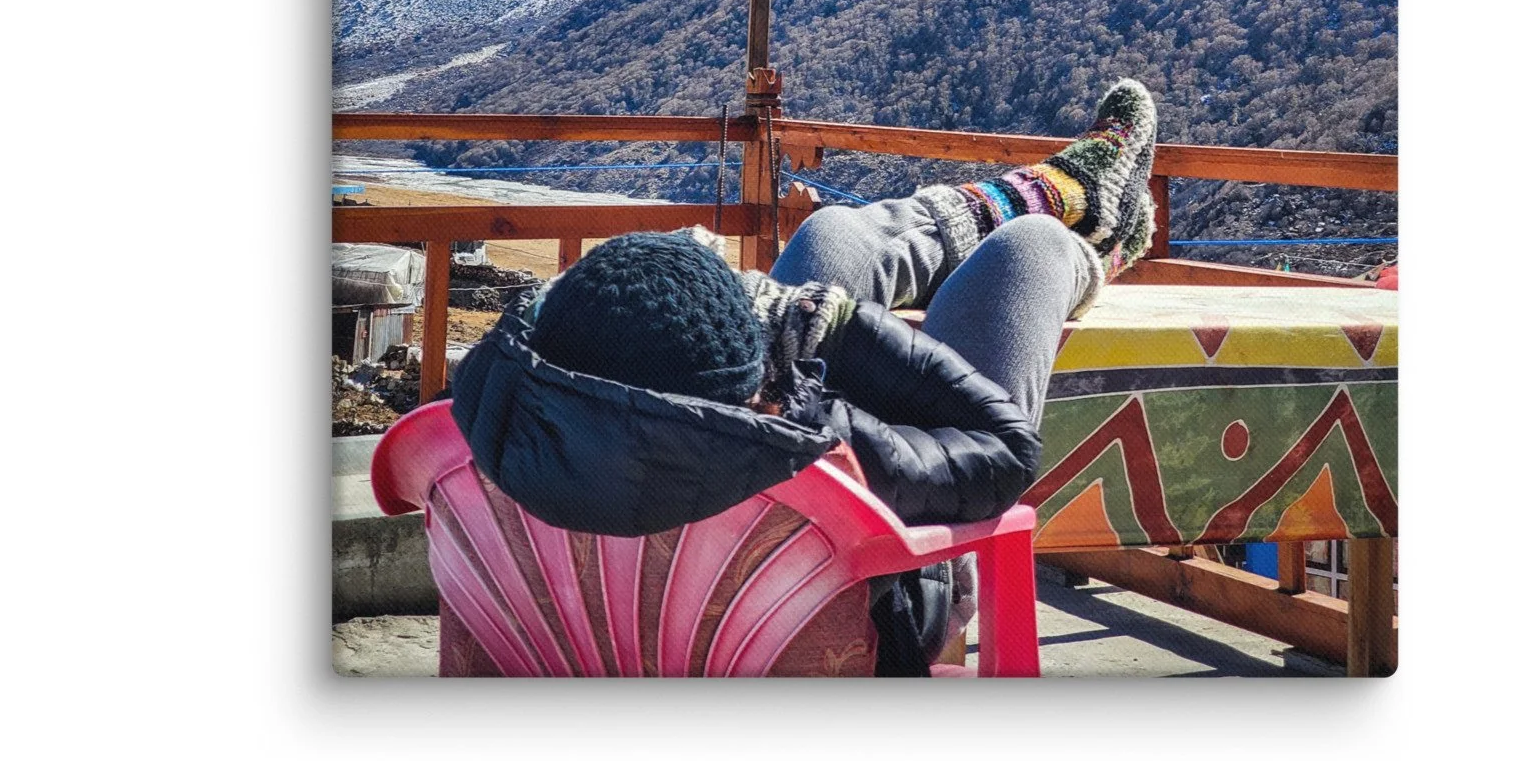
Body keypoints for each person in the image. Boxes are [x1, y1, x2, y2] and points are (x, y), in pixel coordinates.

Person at [450, 79, 1158, 672]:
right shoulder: (809, 440)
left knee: (831, 234)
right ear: (754, 394)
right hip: (879, 594)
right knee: (1026, 253)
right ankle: (1063, 213)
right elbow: (1002, 450)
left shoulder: (496, 422)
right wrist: (832, 327)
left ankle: (1052, 194)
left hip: (701, 598)